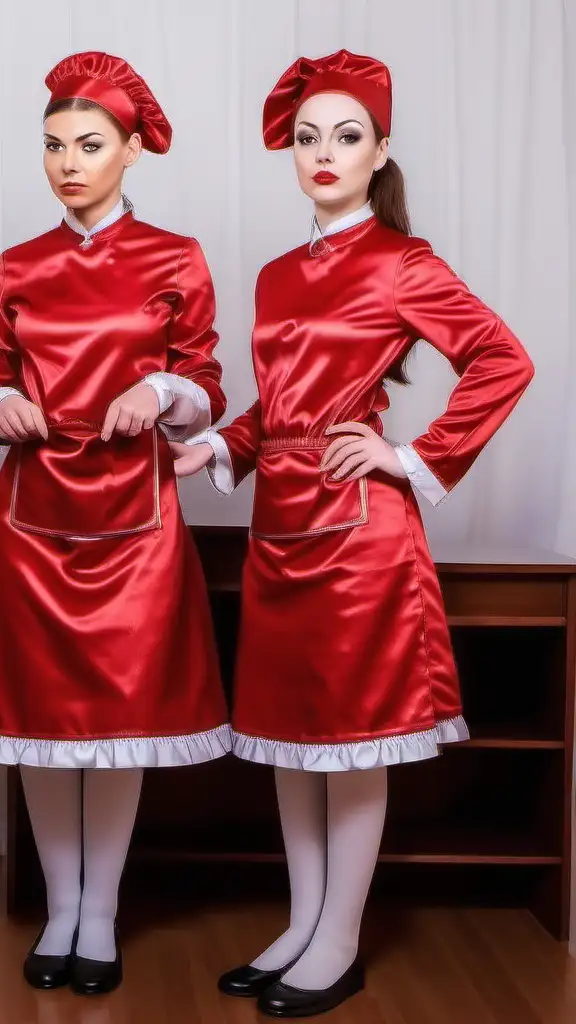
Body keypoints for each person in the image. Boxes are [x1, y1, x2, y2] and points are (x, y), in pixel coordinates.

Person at [172, 50, 534, 1018]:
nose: (322, 152)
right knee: (290, 741)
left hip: (360, 537)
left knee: (353, 740)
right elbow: (279, 405)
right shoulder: (276, 273)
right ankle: (299, 924)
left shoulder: (402, 262)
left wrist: (410, 455)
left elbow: (503, 359)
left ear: (380, 152)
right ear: (289, 154)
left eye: (346, 135)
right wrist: (219, 440)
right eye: (305, 137)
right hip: (278, 525)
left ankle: (338, 939)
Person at [0, 51, 230, 996]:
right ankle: (60, 904)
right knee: (40, 724)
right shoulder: (17, 265)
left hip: (136, 522)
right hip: (31, 523)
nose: (69, 162)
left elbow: (210, 383)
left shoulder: (175, 258)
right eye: (54, 146)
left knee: (117, 722)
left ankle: (99, 910)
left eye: (90, 145)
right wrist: (1, 412)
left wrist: (160, 389)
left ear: (133, 151)